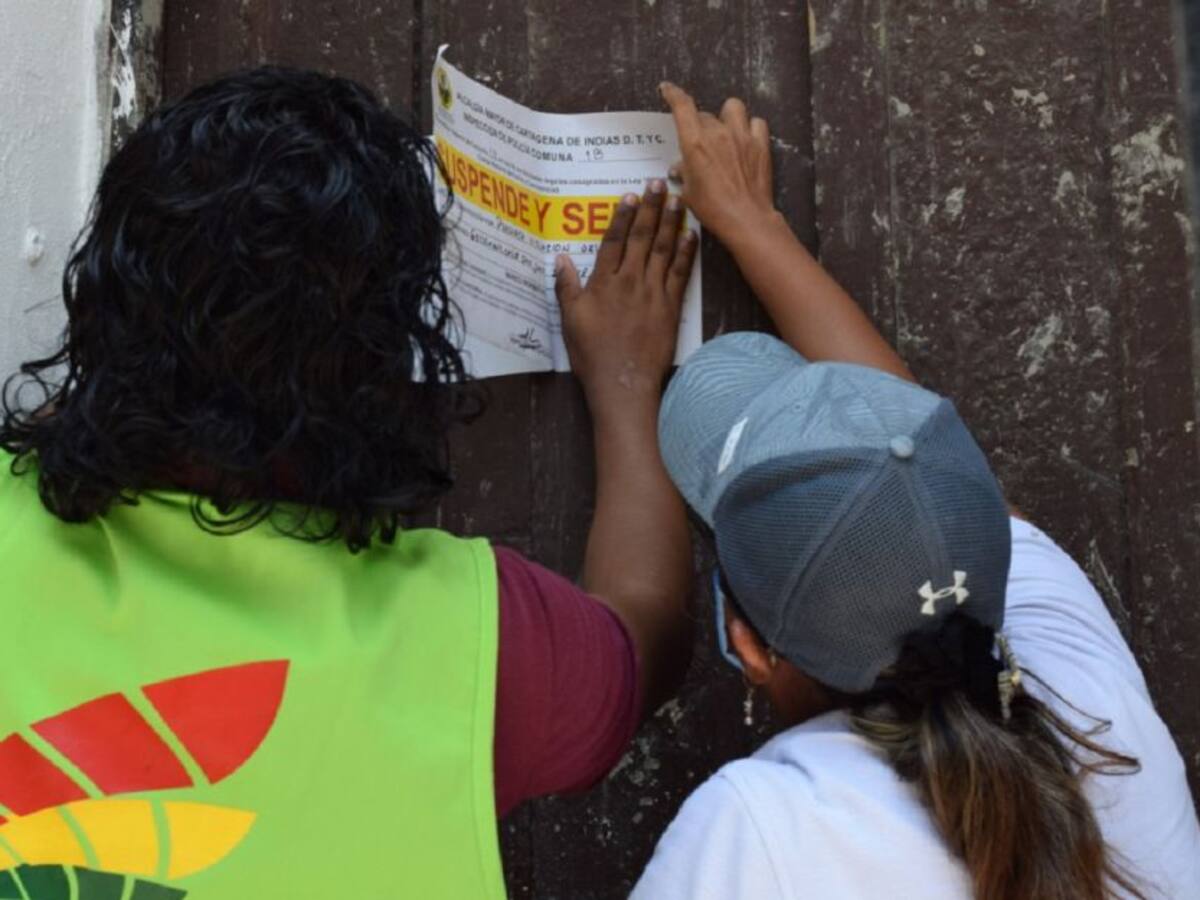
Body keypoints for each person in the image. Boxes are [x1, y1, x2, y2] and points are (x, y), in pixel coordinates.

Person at [0, 68, 696, 898]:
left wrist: (116, 392)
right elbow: (646, 633)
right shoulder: (481, 645)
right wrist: (624, 386)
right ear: (382, 364)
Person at [632, 84, 1200, 900]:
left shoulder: (764, 831)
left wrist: (624, 388)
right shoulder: (1086, 693)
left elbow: (944, 483)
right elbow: (922, 471)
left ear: (747, 644)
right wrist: (756, 224)